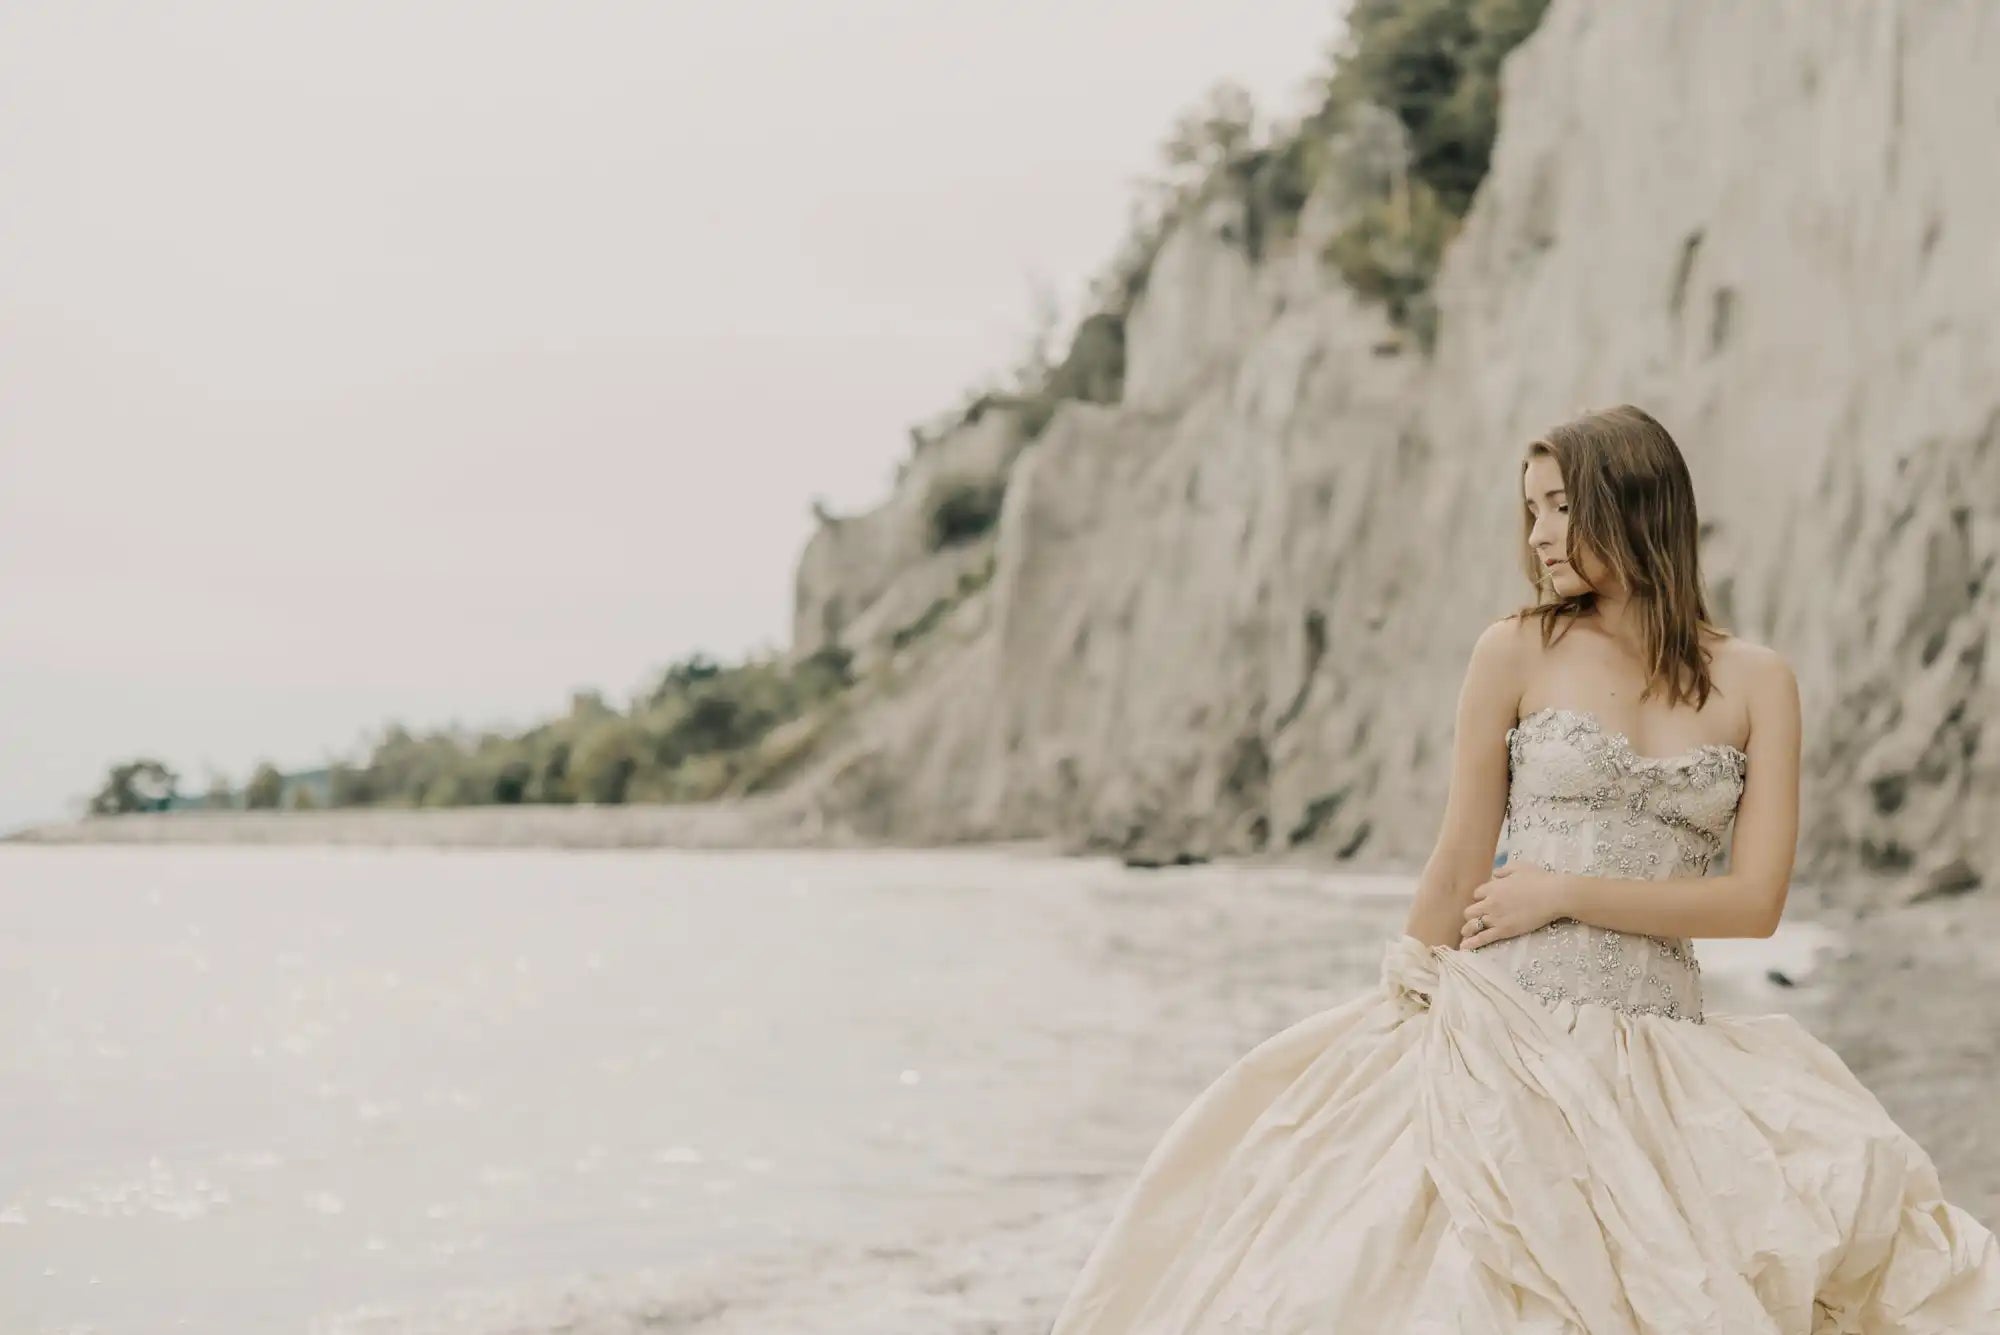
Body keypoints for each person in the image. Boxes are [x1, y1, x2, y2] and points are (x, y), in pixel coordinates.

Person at [1048, 405, 2000, 1332]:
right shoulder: (1514, 650)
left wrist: (1563, 890)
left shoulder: (1757, 680)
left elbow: (1755, 904)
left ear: (1630, 505)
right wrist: (1403, 999)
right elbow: (1461, 853)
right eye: (1531, 509)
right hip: (1506, 1027)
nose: (1540, 533)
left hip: (1662, 1045)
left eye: (1559, 506)